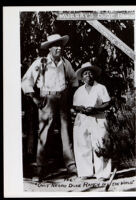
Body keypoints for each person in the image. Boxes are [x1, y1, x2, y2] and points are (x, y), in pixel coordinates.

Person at [21, 34, 78, 181]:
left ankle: (71, 168)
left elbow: (74, 80)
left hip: (63, 97)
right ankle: (39, 170)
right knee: (44, 133)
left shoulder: (65, 63)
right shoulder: (41, 62)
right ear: (49, 48)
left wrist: (69, 98)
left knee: (66, 132)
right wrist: (35, 98)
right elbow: (26, 81)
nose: (59, 48)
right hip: (46, 97)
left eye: (60, 45)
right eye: (55, 45)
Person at [73, 62, 112, 180]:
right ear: (82, 77)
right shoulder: (79, 90)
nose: (88, 75)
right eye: (85, 73)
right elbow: (75, 106)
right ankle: (85, 172)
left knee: (100, 144)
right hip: (82, 119)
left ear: (94, 75)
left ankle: (102, 173)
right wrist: (81, 109)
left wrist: (95, 109)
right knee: (82, 144)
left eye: (90, 73)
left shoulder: (100, 88)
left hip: (98, 118)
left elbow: (107, 103)